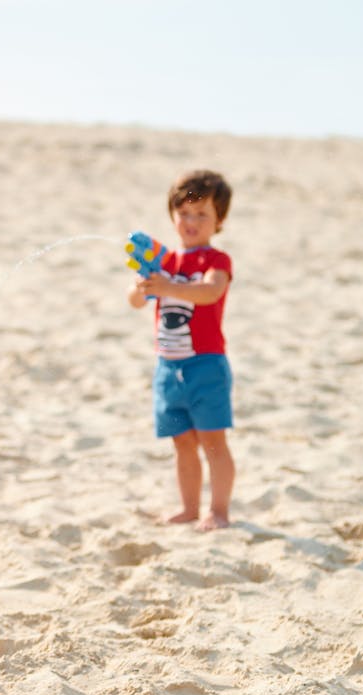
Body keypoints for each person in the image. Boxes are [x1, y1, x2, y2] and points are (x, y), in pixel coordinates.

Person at [128, 169, 235, 531]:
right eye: (184, 213)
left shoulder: (215, 261)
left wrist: (169, 286)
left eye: (202, 214)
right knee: (182, 443)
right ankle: (190, 507)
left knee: (213, 442)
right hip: (167, 367)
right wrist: (144, 286)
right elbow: (136, 301)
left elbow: (210, 292)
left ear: (219, 220)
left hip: (205, 366)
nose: (191, 221)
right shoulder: (165, 261)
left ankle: (218, 511)